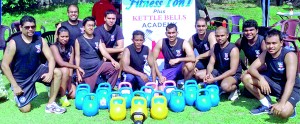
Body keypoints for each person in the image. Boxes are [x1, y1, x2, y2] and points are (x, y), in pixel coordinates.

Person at [1, 15, 66, 113]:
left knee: (57, 72)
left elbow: (51, 58)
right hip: (21, 79)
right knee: (25, 109)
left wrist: (50, 73)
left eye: (33, 27)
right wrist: (14, 85)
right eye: (27, 27)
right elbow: (4, 65)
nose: (30, 29)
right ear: (20, 27)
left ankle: (51, 104)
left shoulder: (40, 40)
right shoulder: (13, 42)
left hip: (37, 71)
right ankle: (17, 97)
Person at [242, 29, 300, 119]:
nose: (271, 46)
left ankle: (290, 105)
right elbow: (252, 68)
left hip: (292, 88)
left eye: (274, 43)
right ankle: (266, 105)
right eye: (268, 43)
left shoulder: (289, 55)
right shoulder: (266, 53)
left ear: (281, 43)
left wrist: (281, 103)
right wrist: (261, 79)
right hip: (275, 84)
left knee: (283, 113)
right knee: (246, 77)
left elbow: (291, 81)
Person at [195, 27, 242, 101]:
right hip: (219, 71)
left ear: (227, 35)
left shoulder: (233, 49)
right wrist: (208, 74)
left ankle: (235, 89)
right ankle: (216, 86)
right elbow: (211, 63)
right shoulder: (215, 46)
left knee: (225, 86)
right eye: (217, 36)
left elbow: (232, 71)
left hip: (233, 75)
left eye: (222, 35)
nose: (219, 38)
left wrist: (214, 79)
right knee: (198, 75)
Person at [75, 16, 119, 92]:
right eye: (89, 25)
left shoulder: (97, 38)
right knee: (88, 92)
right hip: (87, 69)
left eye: (93, 25)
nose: (91, 27)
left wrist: (112, 60)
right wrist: (78, 73)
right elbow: (77, 57)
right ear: (84, 27)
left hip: (99, 65)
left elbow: (104, 51)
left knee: (115, 67)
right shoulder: (78, 40)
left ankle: (108, 88)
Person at [50, 26, 85, 107]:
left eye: (66, 36)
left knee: (73, 95)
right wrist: (77, 67)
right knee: (65, 69)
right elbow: (61, 63)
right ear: (58, 36)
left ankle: (63, 90)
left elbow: (70, 66)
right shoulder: (53, 47)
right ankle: (62, 96)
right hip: (54, 73)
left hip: (66, 74)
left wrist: (69, 82)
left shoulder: (71, 47)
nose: (64, 39)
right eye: (62, 36)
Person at [235, 19, 266, 97]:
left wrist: (248, 71)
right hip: (252, 70)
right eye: (246, 30)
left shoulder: (262, 42)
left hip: (264, 70)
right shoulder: (240, 41)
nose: (248, 33)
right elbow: (232, 53)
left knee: (260, 91)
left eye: (251, 30)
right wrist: (240, 67)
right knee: (248, 94)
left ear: (257, 30)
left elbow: (266, 64)